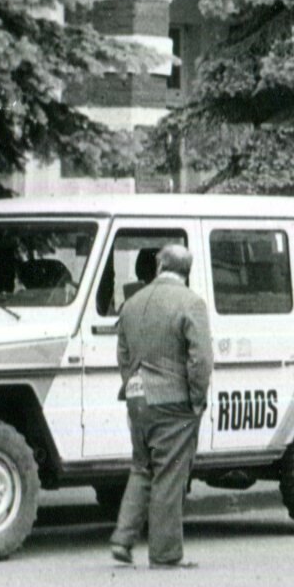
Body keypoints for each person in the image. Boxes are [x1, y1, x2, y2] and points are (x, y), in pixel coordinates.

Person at [109, 243, 212, 570]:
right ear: (187, 271)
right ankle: (165, 554)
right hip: (174, 401)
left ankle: (123, 538)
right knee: (170, 473)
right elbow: (201, 359)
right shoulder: (191, 303)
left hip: (137, 398)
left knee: (142, 467)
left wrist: (133, 384)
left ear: (159, 266)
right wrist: (197, 399)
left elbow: (123, 354)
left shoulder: (132, 303)